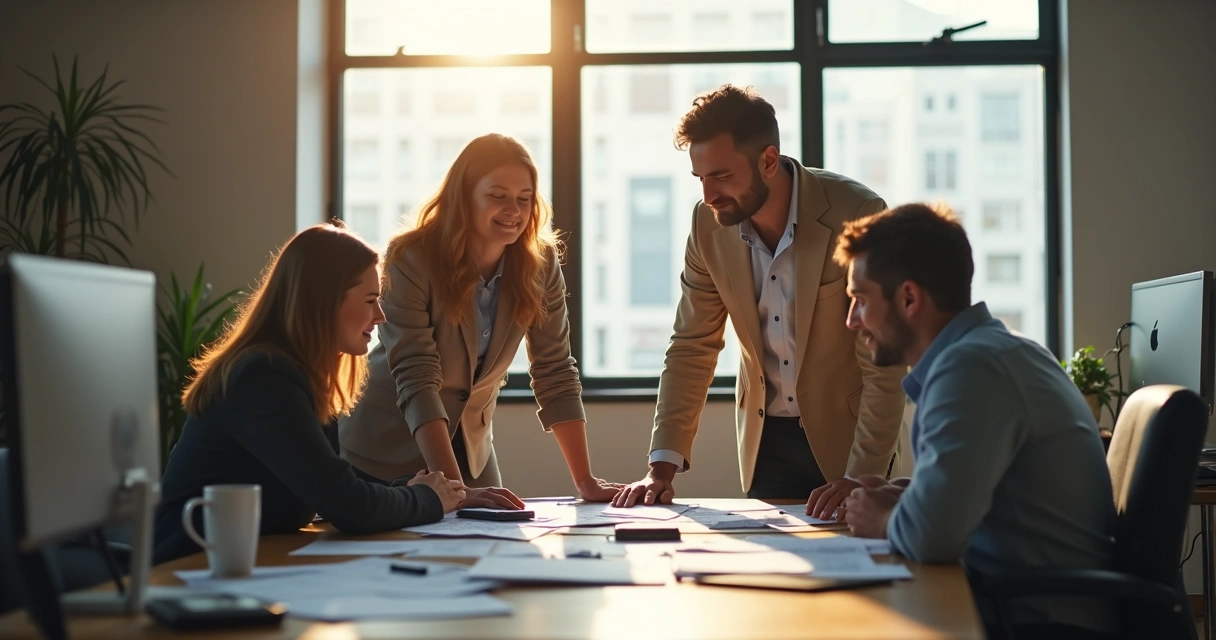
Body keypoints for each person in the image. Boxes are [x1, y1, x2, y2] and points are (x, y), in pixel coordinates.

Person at [612, 85, 906, 509]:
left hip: (851, 442)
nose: (709, 195)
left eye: (722, 176)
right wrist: (660, 469)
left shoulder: (856, 213)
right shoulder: (708, 225)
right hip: (765, 444)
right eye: (701, 179)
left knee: (858, 569)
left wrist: (862, 475)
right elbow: (692, 346)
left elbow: (884, 361)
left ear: (768, 161)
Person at [836, 204, 1117, 639]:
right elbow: (990, 493)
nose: (852, 320)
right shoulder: (988, 353)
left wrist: (883, 518)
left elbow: (932, 537)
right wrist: (909, 496)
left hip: (1039, 621)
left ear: (909, 298)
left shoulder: (971, 369)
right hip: (1017, 602)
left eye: (860, 300)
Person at [154, 224, 465, 565]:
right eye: (370, 300)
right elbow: (349, 505)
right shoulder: (262, 377)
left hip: (244, 562)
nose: (380, 316)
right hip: (188, 570)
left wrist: (409, 490)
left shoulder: (298, 374)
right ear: (324, 302)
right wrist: (427, 498)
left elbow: (329, 480)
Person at [339, 133, 621, 507]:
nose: (514, 211)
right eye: (498, 196)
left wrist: (585, 481)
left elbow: (555, 370)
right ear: (464, 196)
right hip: (387, 443)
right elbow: (416, 374)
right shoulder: (412, 256)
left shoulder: (541, 264)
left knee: (495, 544)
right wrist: (457, 492)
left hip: (470, 447)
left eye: (524, 199)